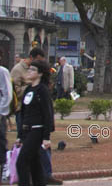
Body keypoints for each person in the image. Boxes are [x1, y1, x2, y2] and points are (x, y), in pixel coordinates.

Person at [12, 48, 60, 185]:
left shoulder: (42, 90)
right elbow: (24, 113)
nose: (29, 72)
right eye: (29, 69)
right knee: (35, 164)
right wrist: (20, 135)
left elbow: (47, 114)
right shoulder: (28, 89)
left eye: (32, 70)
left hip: (37, 130)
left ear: (39, 74)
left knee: (22, 161)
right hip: (27, 130)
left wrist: (46, 137)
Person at [0, 51, 13, 182]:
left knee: (0, 142)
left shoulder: (2, 72)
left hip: (0, 115)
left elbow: (7, 94)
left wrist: (1, 112)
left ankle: (4, 168)